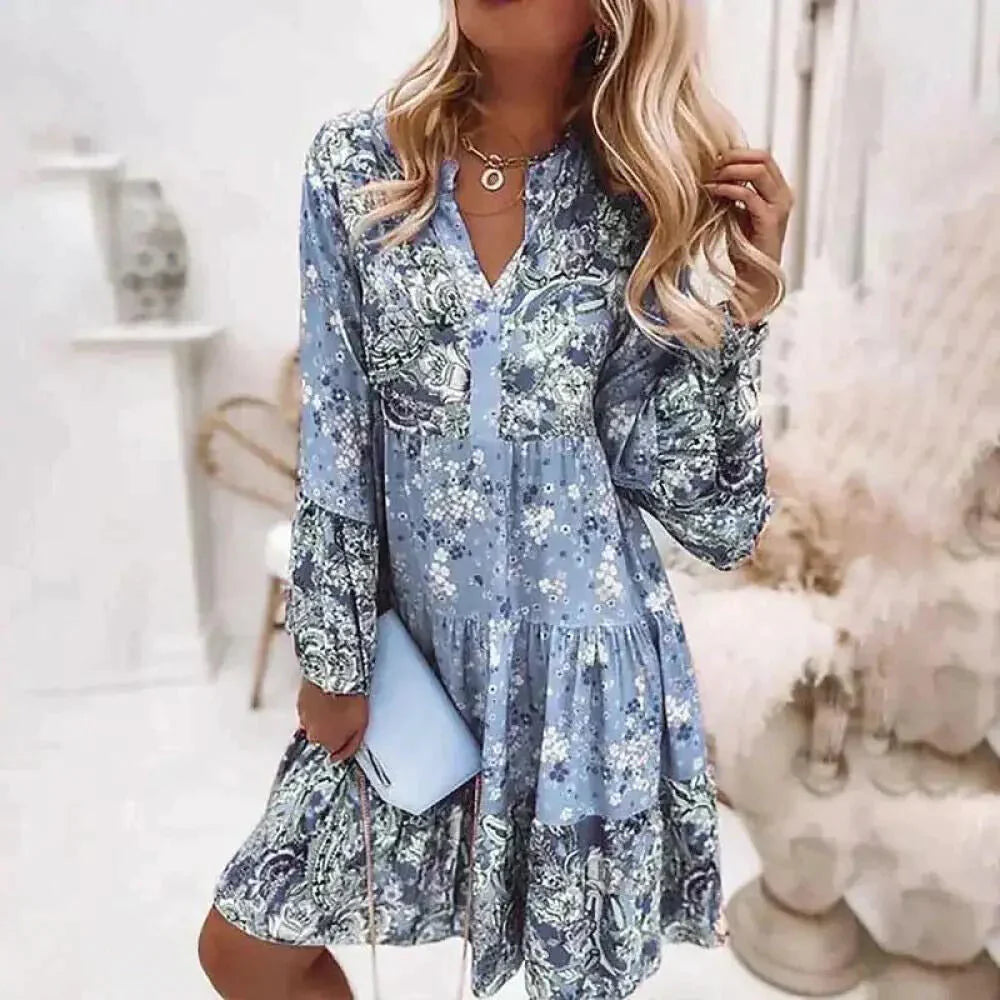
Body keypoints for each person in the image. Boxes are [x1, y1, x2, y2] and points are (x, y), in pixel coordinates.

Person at [198, 1, 793, 998]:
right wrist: (333, 657)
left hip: (581, 676)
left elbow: (714, 518)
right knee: (246, 949)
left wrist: (743, 303)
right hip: (414, 661)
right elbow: (336, 437)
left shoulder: (642, 195)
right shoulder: (358, 163)